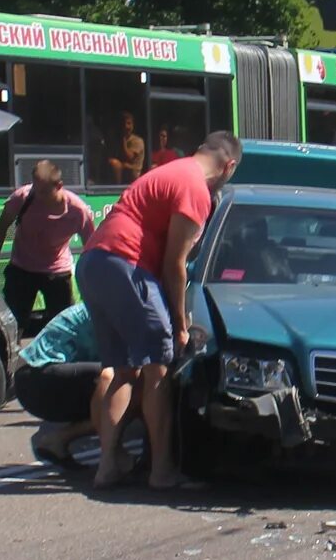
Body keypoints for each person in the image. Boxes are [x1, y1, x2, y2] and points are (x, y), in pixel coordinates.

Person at [77, 130, 241, 489]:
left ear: (201, 149)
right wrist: (181, 325)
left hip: (93, 262)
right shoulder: (195, 188)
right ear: (229, 165)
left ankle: (108, 467)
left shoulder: (171, 170)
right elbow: (175, 265)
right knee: (159, 367)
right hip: (126, 264)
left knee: (123, 370)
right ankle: (162, 472)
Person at [0, 160, 97, 337]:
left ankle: (64, 361)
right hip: (22, 268)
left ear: (59, 186)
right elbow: (2, 228)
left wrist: (93, 281)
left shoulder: (78, 211)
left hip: (57, 272)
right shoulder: (23, 198)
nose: (38, 196)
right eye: (35, 189)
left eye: (44, 192)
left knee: (65, 327)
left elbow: (92, 247)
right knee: (12, 324)